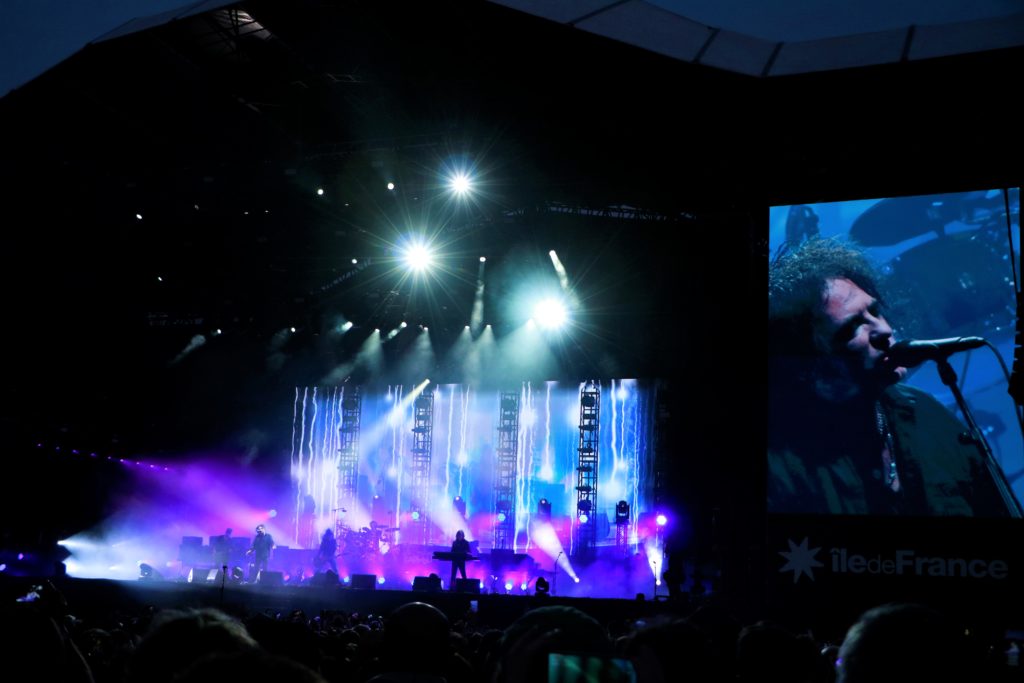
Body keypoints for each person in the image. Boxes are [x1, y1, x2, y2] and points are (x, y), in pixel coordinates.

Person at [768, 237, 1012, 516]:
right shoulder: (785, 467)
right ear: (809, 365)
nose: (883, 329)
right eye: (852, 327)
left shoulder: (925, 414)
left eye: (874, 311)